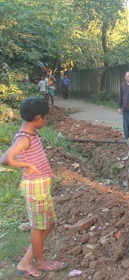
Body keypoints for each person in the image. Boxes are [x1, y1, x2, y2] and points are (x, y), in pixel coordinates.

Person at [0, 97, 68, 279]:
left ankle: (28, 259)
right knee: (38, 227)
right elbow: (6, 159)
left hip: (41, 186)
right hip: (35, 187)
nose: (46, 121)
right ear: (38, 118)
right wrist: (27, 166)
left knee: (49, 223)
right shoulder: (24, 138)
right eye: (45, 118)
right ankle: (39, 261)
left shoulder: (30, 134)